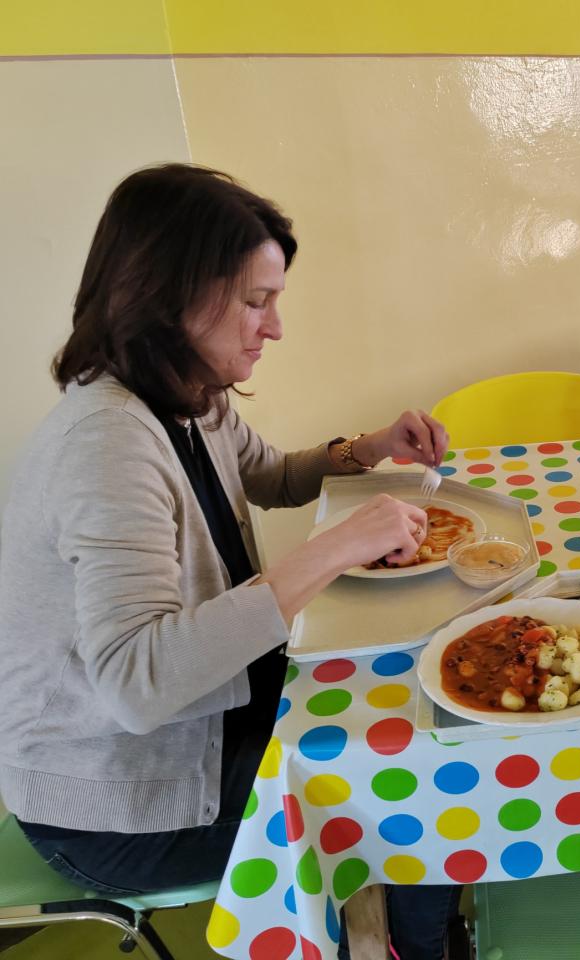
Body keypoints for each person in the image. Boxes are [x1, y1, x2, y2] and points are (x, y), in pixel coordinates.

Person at [0, 164, 458, 957]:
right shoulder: (107, 441)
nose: (273, 327)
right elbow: (140, 684)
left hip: (211, 725)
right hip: (120, 803)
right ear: (170, 295)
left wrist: (372, 446)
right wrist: (333, 549)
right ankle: (408, 947)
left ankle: (413, 929)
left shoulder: (186, 394)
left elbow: (271, 475)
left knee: (410, 697)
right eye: (255, 301)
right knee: (419, 792)